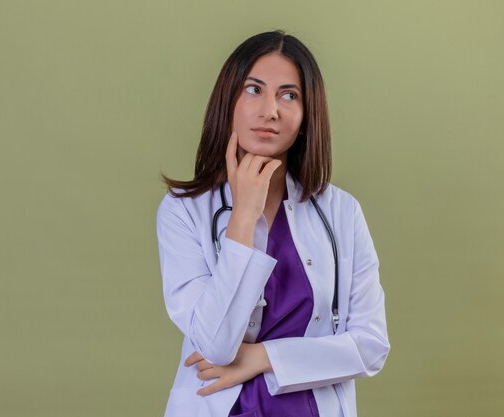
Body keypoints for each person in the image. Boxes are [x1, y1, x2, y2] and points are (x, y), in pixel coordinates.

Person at [156, 30, 390, 417]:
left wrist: (265, 357)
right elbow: (214, 345)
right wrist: (243, 218)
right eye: (253, 90)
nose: (270, 111)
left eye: (289, 95)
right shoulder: (183, 211)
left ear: (305, 115)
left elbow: (370, 346)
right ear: (227, 100)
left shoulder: (342, 213)